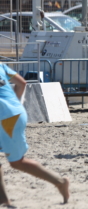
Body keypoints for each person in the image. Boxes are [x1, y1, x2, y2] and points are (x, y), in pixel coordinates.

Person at [0, 63, 69, 206]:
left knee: (17, 162)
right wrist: (15, 105)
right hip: (15, 113)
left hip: (6, 119)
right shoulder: (1, 65)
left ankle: (60, 182)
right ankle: (4, 200)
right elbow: (22, 83)